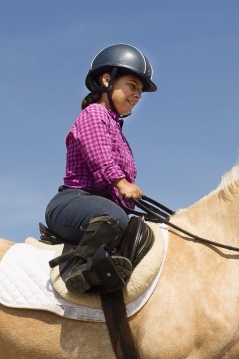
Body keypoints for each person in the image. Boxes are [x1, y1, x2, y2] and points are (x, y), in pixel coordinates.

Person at [44, 43, 156, 293]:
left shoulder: (116, 128)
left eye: (140, 91)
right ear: (107, 80)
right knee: (116, 218)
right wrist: (121, 183)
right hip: (73, 203)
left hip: (99, 205)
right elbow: (100, 156)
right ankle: (76, 269)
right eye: (132, 86)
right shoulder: (94, 113)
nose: (137, 95)